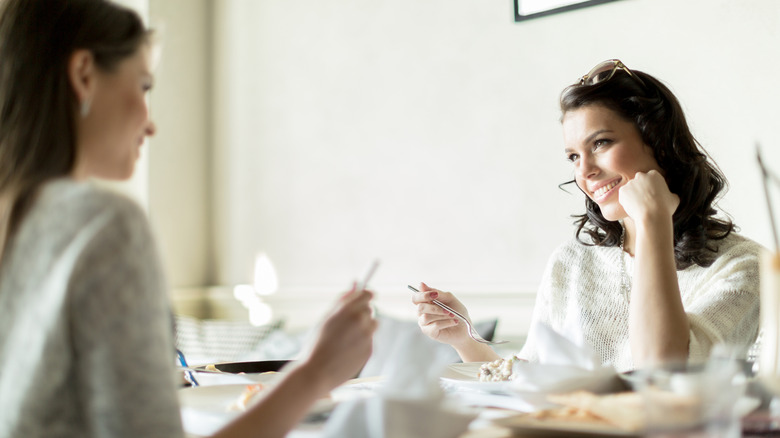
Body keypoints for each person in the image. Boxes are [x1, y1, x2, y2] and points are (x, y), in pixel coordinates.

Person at [0, 1, 376, 437]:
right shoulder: (104, 225)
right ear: (83, 74)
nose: (150, 123)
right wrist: (314, 373)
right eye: (143, 87)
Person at [413, 59, 762, 372]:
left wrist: (653, 220)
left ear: (658, 141)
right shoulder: (572, 261)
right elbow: (528, 381)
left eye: (600, 143)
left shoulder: (744, 266)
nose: (586, 171)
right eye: (573, 156)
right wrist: (464, 339)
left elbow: (662, 371)